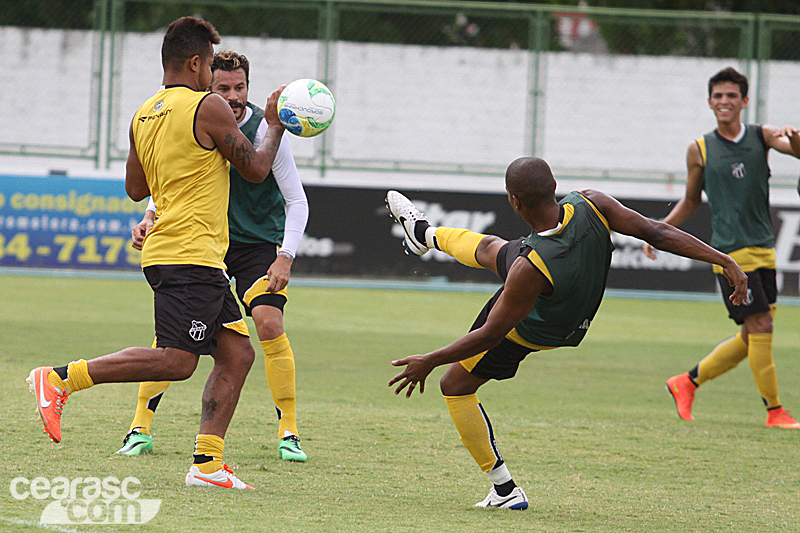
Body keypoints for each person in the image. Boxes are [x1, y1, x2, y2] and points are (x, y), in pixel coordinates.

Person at [385, 157, 748, 510]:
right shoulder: (592, 202)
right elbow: (658, 231)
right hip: (572, 315)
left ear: (514, 201)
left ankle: (505, 489)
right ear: (555, 186)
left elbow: (491, 334)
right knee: (493, 248)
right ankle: (425, 235)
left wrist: (429, 361)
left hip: (533, 327)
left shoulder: (529, 270)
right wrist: (724, 259)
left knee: (455, 386)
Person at [27, 16, 288, 489]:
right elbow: (256, 169)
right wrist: (274, 126)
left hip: (176, 251)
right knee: (177, 360)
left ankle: (207, 466)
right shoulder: (208, 106)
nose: (214, 77)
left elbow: (134, 188)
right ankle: (61, 378)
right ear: (196, 63)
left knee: (237, 355)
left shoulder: (144, 113)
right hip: (191, 254)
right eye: (210, 66)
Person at [118, 50, 309, 463]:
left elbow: (297, 200)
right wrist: (150, 215)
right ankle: (139, 427)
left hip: (257, 246)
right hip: (207, 247)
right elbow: (173, 179)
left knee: (267, 322)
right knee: (176, 341)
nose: (234, 96)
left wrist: (286, 256)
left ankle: (289, 430)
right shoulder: (198, 118)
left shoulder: (264, 129)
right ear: (207, 86)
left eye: (240, 87)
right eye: (223, 88)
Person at [644, 67, 800, 429]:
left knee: (751, 336)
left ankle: (686, 382)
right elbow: (690, 201)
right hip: (729, 256)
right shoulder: (699, 149)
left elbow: (793, 150)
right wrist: (658, 231)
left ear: (744, 101)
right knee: (761, 325)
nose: (724, 101)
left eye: (732, 95)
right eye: (718, 96)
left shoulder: (762, 136)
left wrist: (796, 140)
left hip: (765, 249)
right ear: (710, 101)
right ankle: (775, 411)